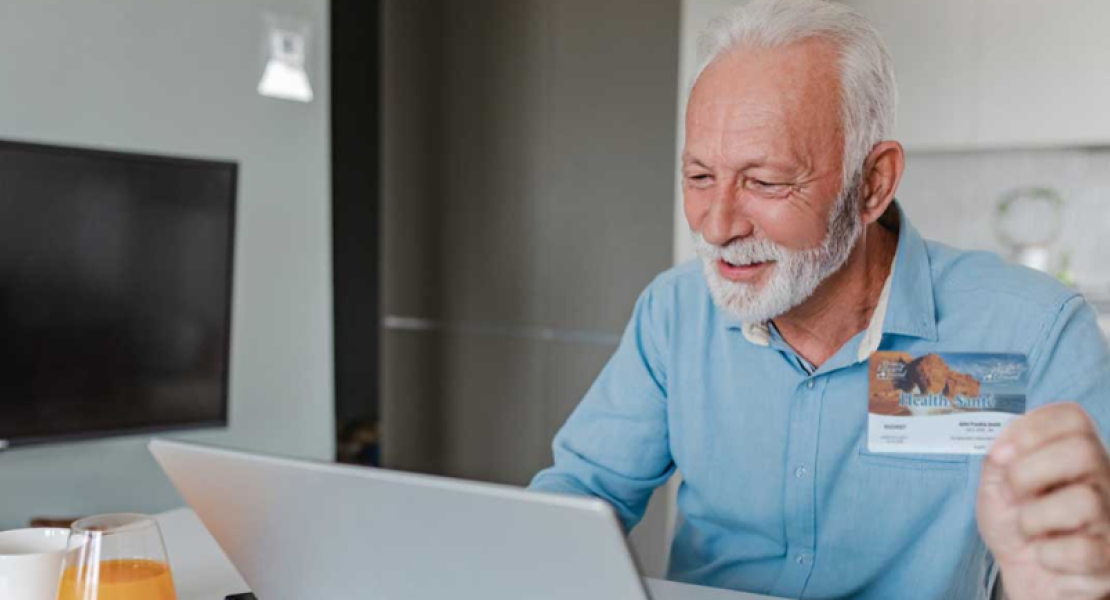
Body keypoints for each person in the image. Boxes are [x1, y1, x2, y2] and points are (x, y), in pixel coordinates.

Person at [529, 1, 1110, 599]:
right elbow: (577, 499)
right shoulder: (676, 315)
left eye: (765, 182)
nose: (718, 224)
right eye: (700, 176)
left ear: (872, 184)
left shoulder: (1028, 334)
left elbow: (1082, 560)